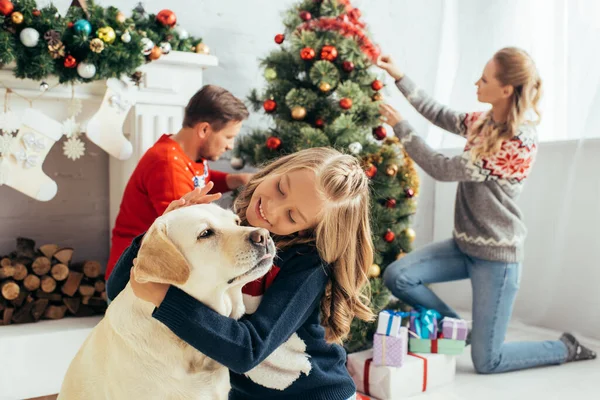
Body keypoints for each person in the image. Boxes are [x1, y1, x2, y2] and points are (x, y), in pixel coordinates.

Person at [377, 47, 596, 374]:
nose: (476, 83)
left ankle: (565, 346)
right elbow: (440, 114)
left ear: (506, 89)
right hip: (464, 246)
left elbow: (443, 168)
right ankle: (456, 327)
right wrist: (399, 76)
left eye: (485, 78)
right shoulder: (483, 121)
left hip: (497, 259)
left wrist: (402, 126)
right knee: (399, 275)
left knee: (487, 361)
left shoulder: (516, 142)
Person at [107, 147, 374, 400]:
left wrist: (166, 300)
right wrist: (160, 234)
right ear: (277, 169)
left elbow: (249, 349)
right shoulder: (230, 231)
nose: (271, 208)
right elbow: (118, 290)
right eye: (281, 188)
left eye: (292, 216)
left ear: (306, 230)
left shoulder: (307, 266)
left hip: (315, 394)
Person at [106, 85, 252, 279]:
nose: (230, 145)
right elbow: (186, 233)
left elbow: (198, 179)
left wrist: (234, 180)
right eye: (228, 137)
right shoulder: (167, 165)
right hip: (136, 275)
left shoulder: (185, 154)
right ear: (205, 129)